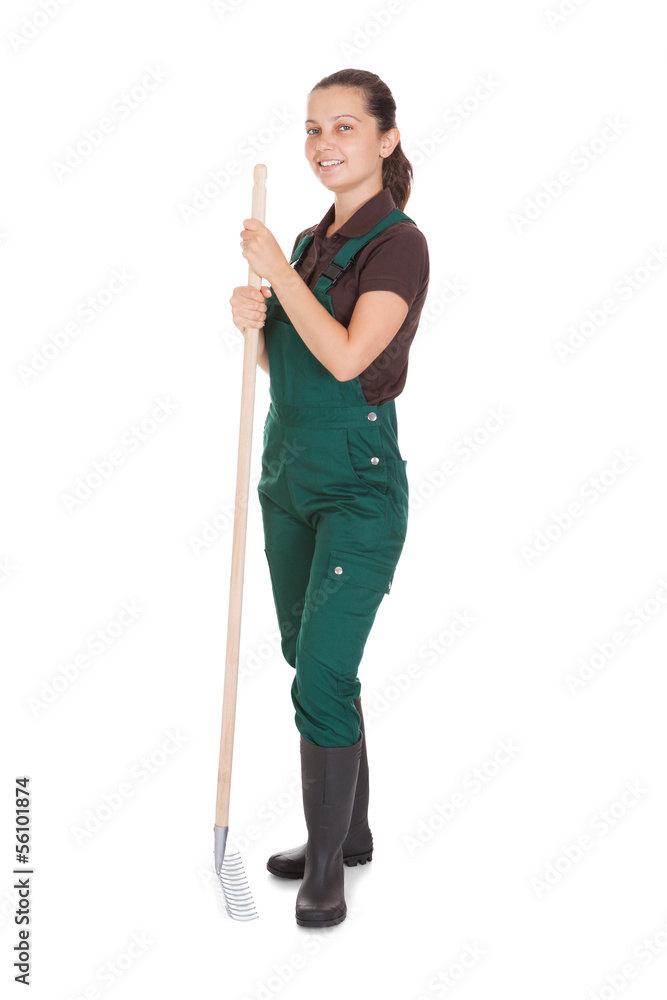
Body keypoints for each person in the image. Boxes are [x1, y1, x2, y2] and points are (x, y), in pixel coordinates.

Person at [229, 68, 430, 928]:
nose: (324, 144)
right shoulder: (311, 240)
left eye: (344, 127)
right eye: (313, 128)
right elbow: (292, 361)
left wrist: (278, 273)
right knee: (306, 655)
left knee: (319, 674)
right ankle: (350, 833)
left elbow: (349, 359)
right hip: (287, 474)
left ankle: (324, 871)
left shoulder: (398, 245)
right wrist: (251, 322)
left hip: (356, 484)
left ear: (385, 139)